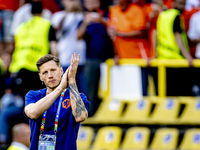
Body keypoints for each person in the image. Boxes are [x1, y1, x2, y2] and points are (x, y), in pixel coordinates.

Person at [24, 53, 90, 150]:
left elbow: (80, 116)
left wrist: (71, 80)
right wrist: (60, 88)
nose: (50, 75)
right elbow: (33, 113)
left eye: (53, 70)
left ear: (61, 71)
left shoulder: (78, 97)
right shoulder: (34, 95)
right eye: (45, 72)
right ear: (40, 77)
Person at [8, 1, 58, 97]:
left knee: (26, 100)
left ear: (30, 12)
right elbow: (54, 48)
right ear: (43, 12)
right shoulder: (47, 25)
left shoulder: (21, 27)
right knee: (40, 99)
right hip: (38, 68)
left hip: (21, 66)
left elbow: (15, 47)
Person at [77, 0, 114, 116]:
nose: (92, 4)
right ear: (86, 5)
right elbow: (78, 36)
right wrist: (85, 23)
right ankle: (91, 117)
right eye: (90, 2)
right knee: (91, 90)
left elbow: (114, 30)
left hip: (108, 59)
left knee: (109, 89)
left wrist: (101, 20)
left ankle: (108, 114)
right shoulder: (84, 19)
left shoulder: (108, 15)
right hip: (91, 59)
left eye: (95, 2)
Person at [51, 0, 87, 94]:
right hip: (66, 59)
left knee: (82, 92)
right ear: (63, 2)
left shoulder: (82, 15)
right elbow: (57, 30)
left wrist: (81, 10)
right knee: (66, 92)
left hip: (82, 59)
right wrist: (67, 13)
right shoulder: (58, 15)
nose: (73, 2)